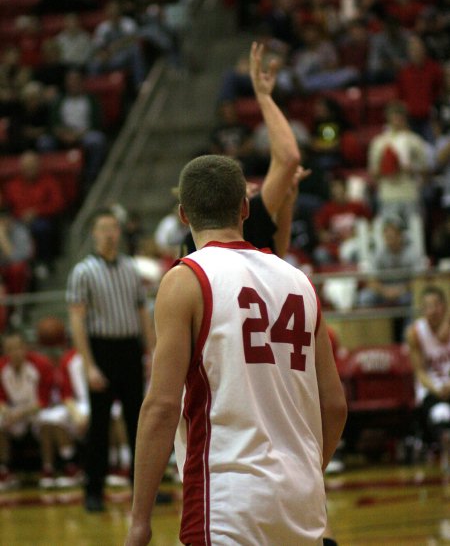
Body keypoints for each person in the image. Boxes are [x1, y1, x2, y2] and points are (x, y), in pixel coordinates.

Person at [125, 154, 347, 546]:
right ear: (245, 208)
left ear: (183, 214)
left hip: (228, 503)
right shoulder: (299, 280)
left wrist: (140, 519)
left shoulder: (185, 280)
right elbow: (334, 406)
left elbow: (161, 407)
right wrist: (305, 472)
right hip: (303, 502)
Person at [67, 207, 154, 512]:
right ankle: (94, 491)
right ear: (94, 232)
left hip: (130, 348)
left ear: (119, 231)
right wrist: (89, 364)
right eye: (103, 227)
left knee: (137, 424)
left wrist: (152, 351)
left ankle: (141, 490)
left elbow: (143, 311)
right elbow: (77, 320)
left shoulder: (131, 267)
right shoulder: (83, 271)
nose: (109, 232)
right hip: (101, 349)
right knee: (100, 426)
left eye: (113, 227)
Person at [181, 42, 301, 257]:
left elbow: (277, 253)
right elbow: (289, 158)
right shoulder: (250, 215)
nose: (252, 186)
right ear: (243, 206)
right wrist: (263, 97)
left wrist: (286, 205)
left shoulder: (190, 247)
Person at [0, 332, 56, 490]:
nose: (15, 352)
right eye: (10, 349)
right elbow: (1, 399)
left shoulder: (42, 364)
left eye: (18, 348)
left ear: (25, 348)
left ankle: (48, 469)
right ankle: (5, 470)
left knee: (46, 422)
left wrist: (20, 414)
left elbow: (44, 401)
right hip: (13, 411)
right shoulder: (1, 368)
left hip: (36, 409)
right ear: (5, 351)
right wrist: (6, 412)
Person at [406, 287, 450, 460]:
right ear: (423, 310)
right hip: (432, 387)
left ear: (444, 307)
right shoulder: (415, 333)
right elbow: (420, 372)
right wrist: (438, 390)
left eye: (436, 305)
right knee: (440, 414)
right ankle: (445, 447)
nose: (432, 310)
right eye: (427, 306)